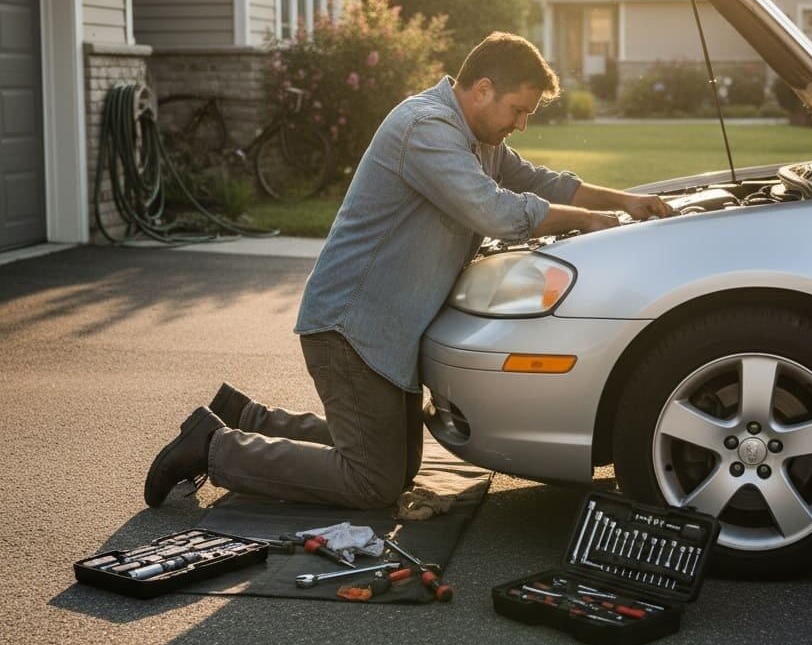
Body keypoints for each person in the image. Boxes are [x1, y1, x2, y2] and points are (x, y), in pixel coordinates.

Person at [144, 32, 673, 509]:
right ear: (483, 88)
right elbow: (493, 210)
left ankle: (244, 417)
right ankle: (212, 448)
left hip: (386, 331)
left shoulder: (479, 138)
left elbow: (538, 181)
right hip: (351, 328)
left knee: (398, 464)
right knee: (372, 481)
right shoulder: (426, 128)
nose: (521, 123)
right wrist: (588, 221)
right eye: (519, 109)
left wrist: (626, 201)